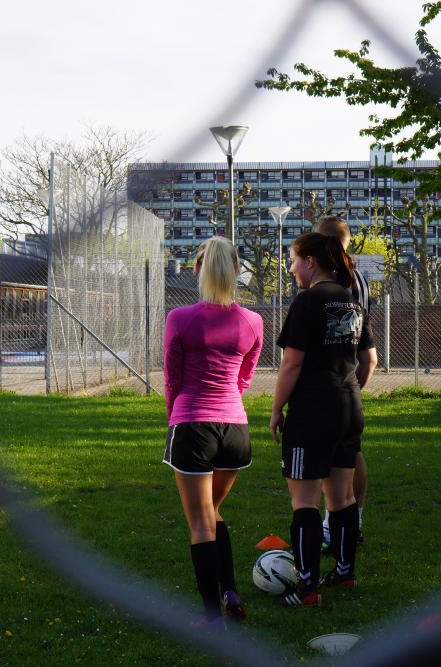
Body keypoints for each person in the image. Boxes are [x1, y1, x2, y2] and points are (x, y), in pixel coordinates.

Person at [269, 232, 374, 607]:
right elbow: (368, 359)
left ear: (310, 262)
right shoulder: (351, 300)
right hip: (349, 406)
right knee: (342, 497)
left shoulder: (307, 301)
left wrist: (276, 409)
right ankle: (345, 573)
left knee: (304, 501)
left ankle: (307, 587)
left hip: (312, 412)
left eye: (293, 260)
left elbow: (291, 364)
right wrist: (346, 387)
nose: (291, 268)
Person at [163, 236, 264, 626]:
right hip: (235, 430)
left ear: (197, 270)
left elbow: (172, 380)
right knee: (213, 511)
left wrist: (175, 419)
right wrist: (226, 403)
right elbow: (244, 378)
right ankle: (231, 592)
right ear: (237, 270)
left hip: (193, 425)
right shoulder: (253, 321)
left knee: (201, 521)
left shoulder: (180, 318)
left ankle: (211, 618)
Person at [313, 217, 378, 549]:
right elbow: (368, 350)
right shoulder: (360, 279)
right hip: (349, 379)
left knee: (325, 458)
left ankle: (331, 525)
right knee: (352, 451)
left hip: (327, 382)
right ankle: (353, 522)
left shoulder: (329, 278)